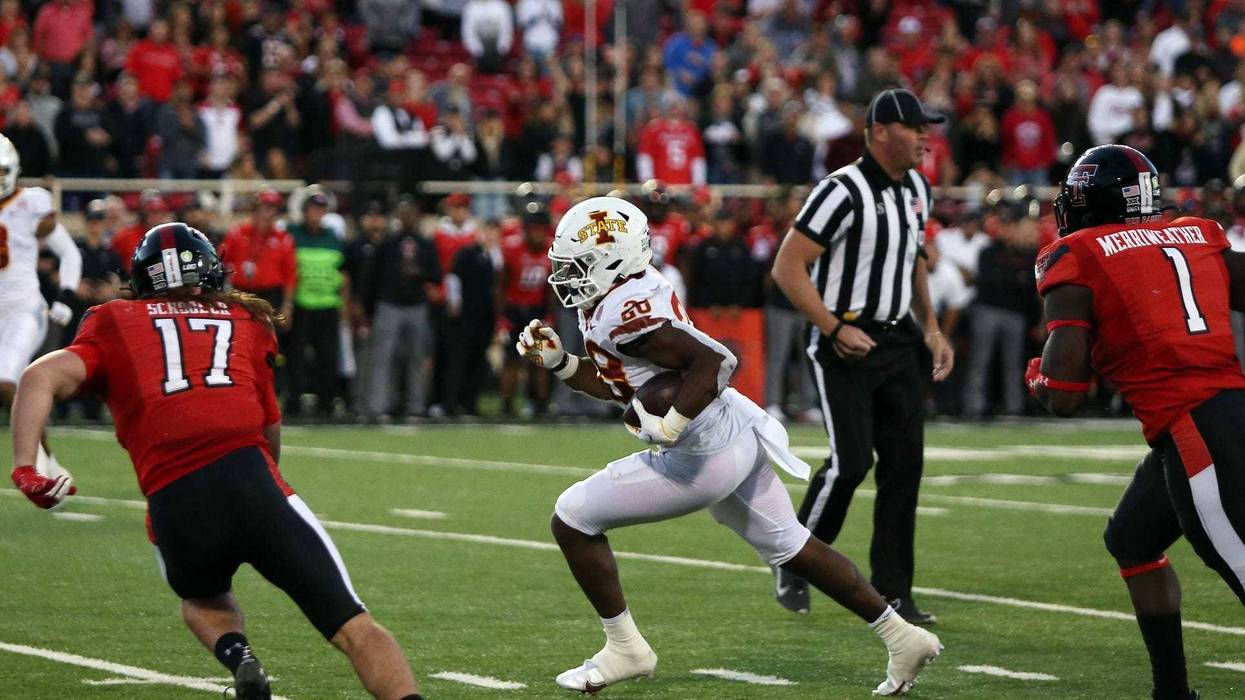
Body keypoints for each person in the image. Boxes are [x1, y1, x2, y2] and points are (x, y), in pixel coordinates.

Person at [516, 196, 941, 696]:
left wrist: (671, 423)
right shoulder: (621, 296)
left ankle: (626, 648)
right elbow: (625, 385)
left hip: (701, 456)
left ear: (613, 260)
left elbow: (717, 361)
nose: (568, 277)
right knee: (792, 545)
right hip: (732, 431)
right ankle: (901, 635)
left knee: (572, 517)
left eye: (579, 265)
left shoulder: (622, 313)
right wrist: (562, 364)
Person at [9, 222, 424, 700]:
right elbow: (270, 428)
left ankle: (240, 657)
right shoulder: (247, 319)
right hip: (250, 477)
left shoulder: (114, 319)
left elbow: (38, 376)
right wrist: (265, 495)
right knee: (353, 625)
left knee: (200, 597)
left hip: (173, 500)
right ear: (209, 273)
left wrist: (26, 468)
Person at [1029, 144, 1245, 700]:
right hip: (1220, 411)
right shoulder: (1200, 233)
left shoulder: (1075, 252)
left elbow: (1065, 395)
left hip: (1196, 428)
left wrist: (1039, 377)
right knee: (1133, 537)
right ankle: (1171, 693)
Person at [769, 89, 953, 623]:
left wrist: (933, 328)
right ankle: (795, 558)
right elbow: (788, 266)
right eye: (914, 127)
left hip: (898, 341)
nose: (924, 136)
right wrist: (830, 325)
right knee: (851, 463)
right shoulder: (841, 190)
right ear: (878, 132)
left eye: (926, 127)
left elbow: (913, 258)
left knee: (905, 467)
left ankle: (894, 590)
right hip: (844, 338)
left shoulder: (917, 187)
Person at [0, 134, 79, 481]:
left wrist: (66, 296)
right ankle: (48, 462)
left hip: (23, 309)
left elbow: (69, 252)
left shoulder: (31, 203)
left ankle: (37, 463)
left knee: (6, 382)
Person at [499, 208, 553, 417]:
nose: (538, 234)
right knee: (511, 360)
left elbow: (551, 288)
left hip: (537, 311)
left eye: (541, 230)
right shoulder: (512, 248)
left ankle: (539, 403)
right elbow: (501, 286)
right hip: (514, 309)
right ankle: (507, 405)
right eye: (534, 229)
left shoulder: (551, 249)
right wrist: (502, 317)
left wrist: (549, 315)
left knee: (540, 361)